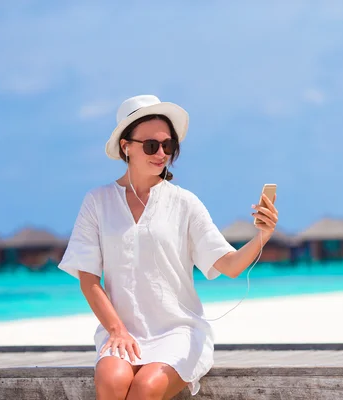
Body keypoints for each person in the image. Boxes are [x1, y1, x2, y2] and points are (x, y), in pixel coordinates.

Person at [58, 95, 279, 400]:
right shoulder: (97, 202)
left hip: (179, 332)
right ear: (126, 146)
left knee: (146, 387)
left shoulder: (185, 203)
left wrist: (262, 237)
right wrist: (117, 330)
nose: (162, 153)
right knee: (111, 379)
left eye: (169, 145)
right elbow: (88, 280)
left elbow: (229, 265)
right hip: (121, 333)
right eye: (151, 145)